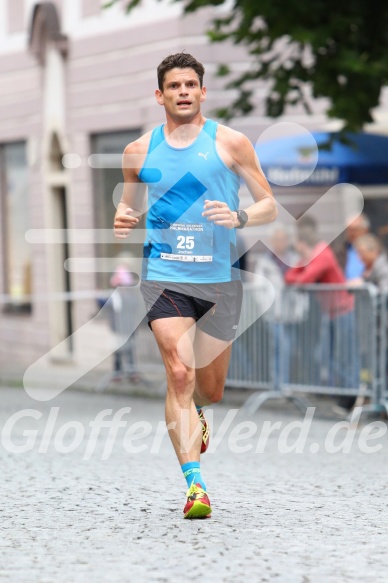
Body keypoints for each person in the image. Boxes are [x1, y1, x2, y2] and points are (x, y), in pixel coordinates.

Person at [113, 53, 277, 518]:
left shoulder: (231, 143)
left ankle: (199, 412)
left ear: (203, 92)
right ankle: (195, 486)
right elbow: (128, 209)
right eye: (174, 85)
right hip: (165, 274)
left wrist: (241, 215)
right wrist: (124, 217)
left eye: (190, 84)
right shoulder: (138, 152)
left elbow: (268, 203)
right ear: (159, 94)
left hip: (220, 278)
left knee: (210, 388)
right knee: (179, 373)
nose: (183, 91)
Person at [285, 220, 359, 411]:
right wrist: (301, 269)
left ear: (303, 244)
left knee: (343, 356)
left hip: (343, 311)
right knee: (324, 356)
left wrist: (301, 270)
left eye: (298, 247)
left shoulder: (322, 255)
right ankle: (348, 393)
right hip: (331, 313)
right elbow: (290, 277)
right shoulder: (312, 257)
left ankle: (352, 395)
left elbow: (303, 279)